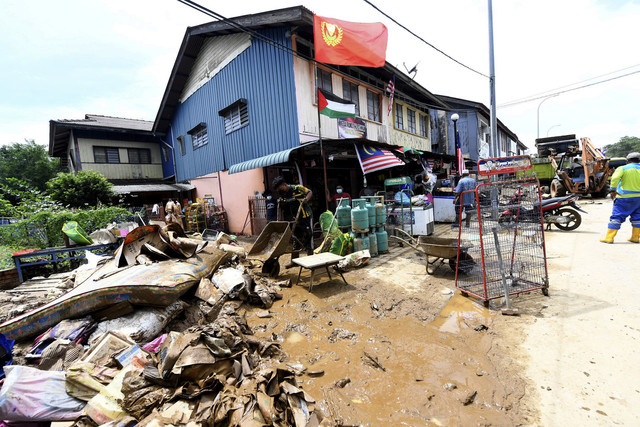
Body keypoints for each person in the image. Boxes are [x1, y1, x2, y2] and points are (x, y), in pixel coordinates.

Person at [600, 152, 640, 243]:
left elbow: (614, 178)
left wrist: (613, 190)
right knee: (638, 217)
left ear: (627, 161)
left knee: (617, 216)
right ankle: (635, 237)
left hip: (624, 197)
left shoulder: (622, 168)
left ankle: (609, 238)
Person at [272, 176, 314, 255]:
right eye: (277, 190)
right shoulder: (283, 193)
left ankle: (310, 255)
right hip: (295, 217)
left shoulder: (297, 188)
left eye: (279, 188)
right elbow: (284, 202)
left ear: (284, 185)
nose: (279, 191)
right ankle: (294, 261)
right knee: (295, 238)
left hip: (305, 215)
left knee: (308, 234)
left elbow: (309, 192)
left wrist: (306, 199)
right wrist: (282, 202)